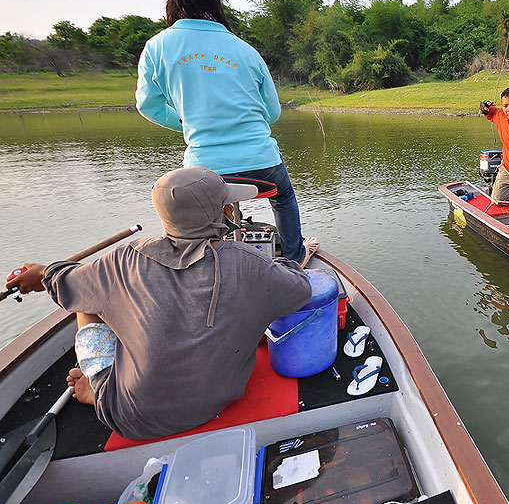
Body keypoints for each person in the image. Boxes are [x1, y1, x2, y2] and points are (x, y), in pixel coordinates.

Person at [6, 166, 313, 440]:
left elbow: (64, 284)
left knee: (86, 296)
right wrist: (276, 262)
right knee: (89, 293)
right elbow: (300, 289)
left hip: (130, 418)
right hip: (214, 403)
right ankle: (99, 386)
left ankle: (100, 384)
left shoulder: (123, 259)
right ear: (228, 215)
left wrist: (43, 273)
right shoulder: (250, 264)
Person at [135, 0, 319, 267]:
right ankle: (294, 257)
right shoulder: (245, 50)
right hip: (262, 163)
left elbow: (148, 105)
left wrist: (186, 123)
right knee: (283, 197)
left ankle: (208, 264)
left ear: (173, 1)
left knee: (204, 207)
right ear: (214, 1)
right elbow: (272, 113)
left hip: (204, 170)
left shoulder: (157, 47)